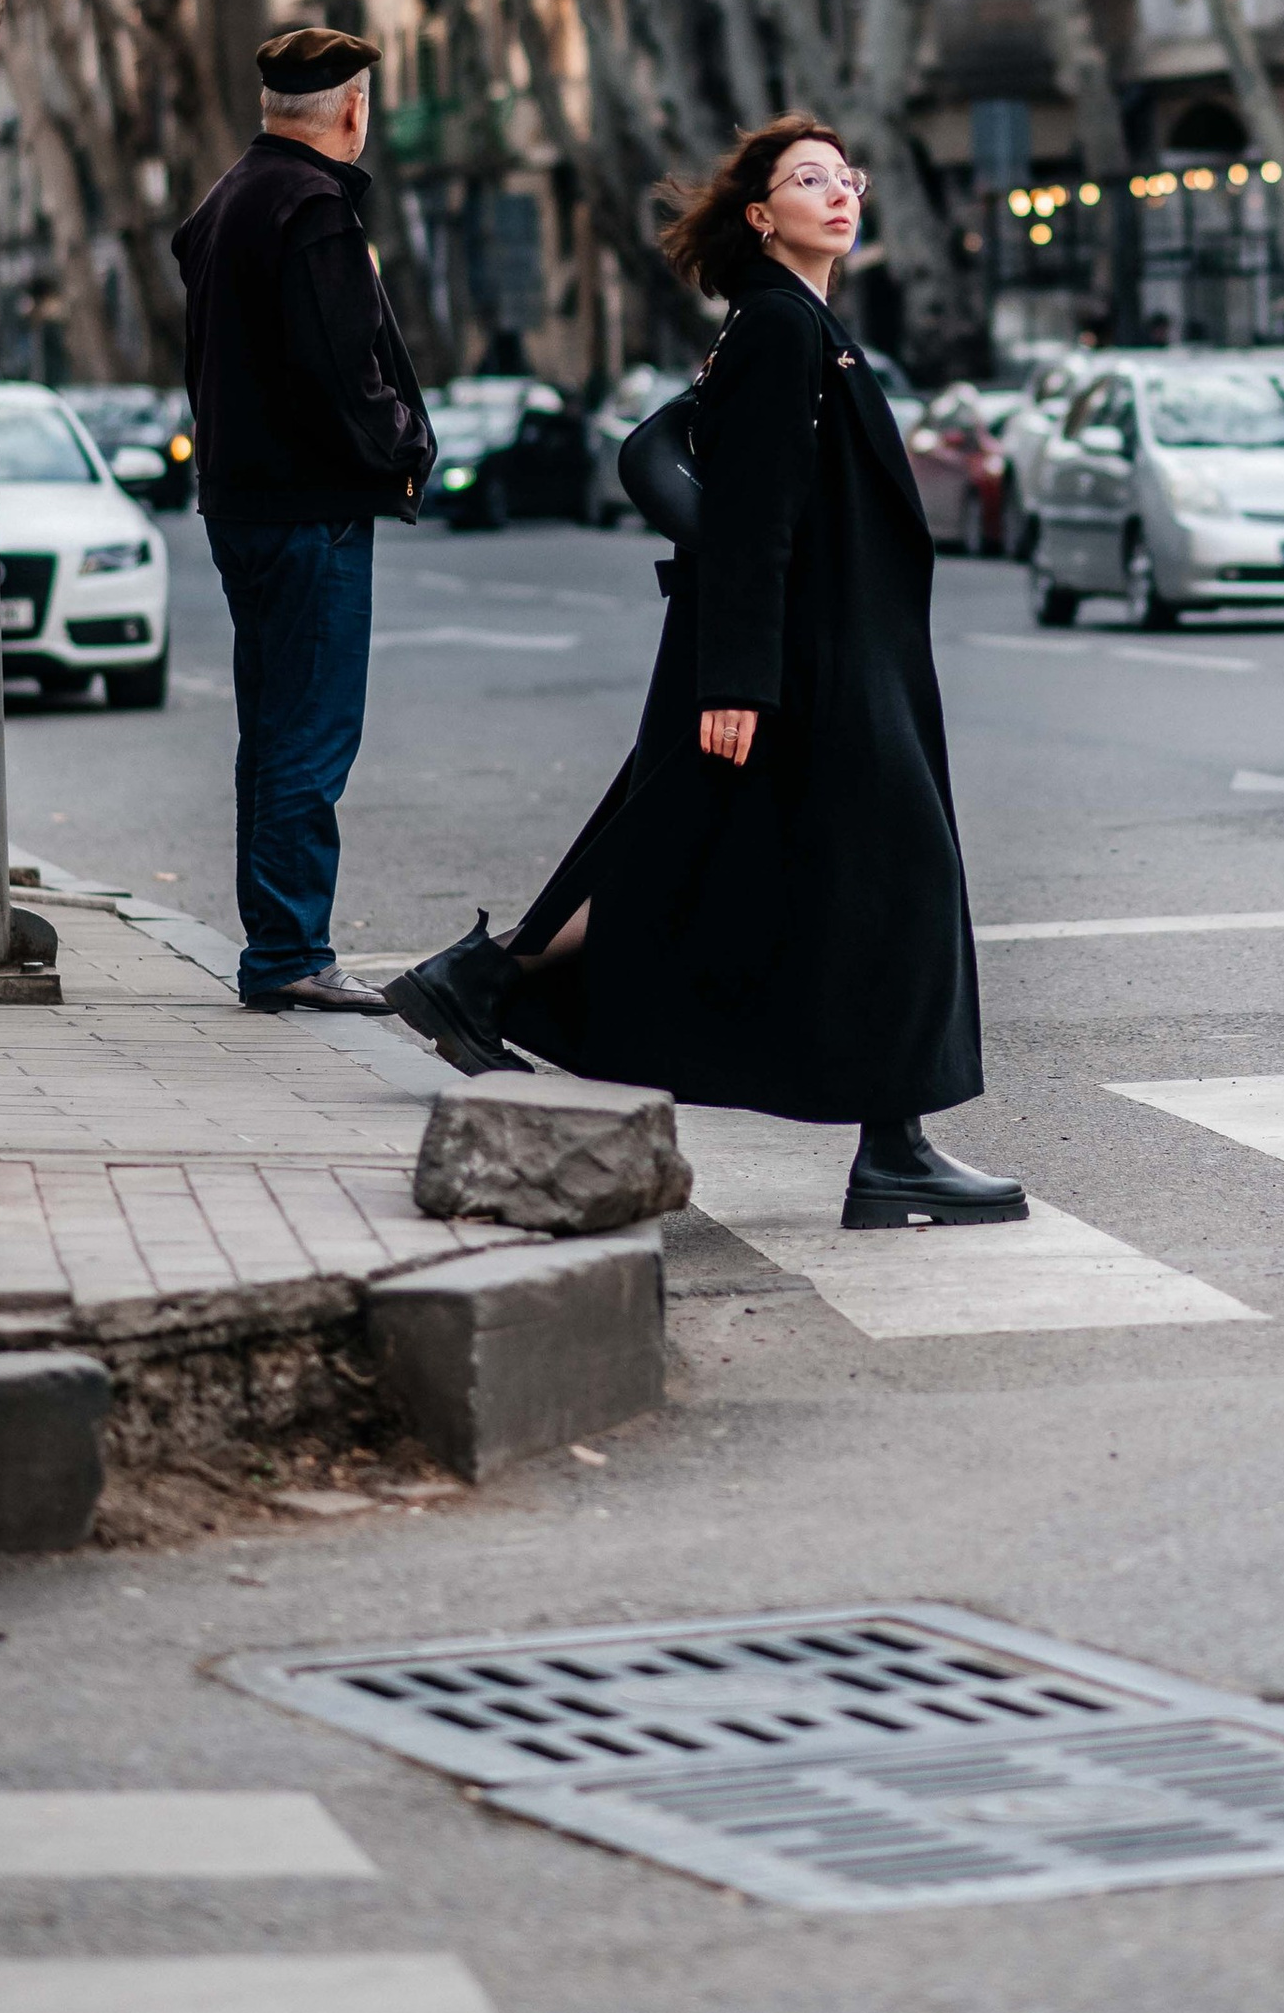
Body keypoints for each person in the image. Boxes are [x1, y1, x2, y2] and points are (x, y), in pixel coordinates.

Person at [384, 114, 1026, 1229]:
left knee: (686, 849)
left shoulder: (796, 324)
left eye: (845, 176)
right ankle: (895, 1149)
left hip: (821, 650)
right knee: (896, 880)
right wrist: (738, 677)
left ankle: (487, 979)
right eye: (807, 180)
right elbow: (751, 518)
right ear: (759, 215)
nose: (839, 194)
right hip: (809, 660)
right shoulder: (782, 327)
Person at [173, 27, 435, 1014]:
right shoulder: (314, 209)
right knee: (310, 735)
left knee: (273, 729)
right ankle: (289, 949)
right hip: (310, 511)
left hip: (243, 502)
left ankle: (279, 944)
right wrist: (403, 446)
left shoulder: (231, 197)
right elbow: (344, 371)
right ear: (353, 111)